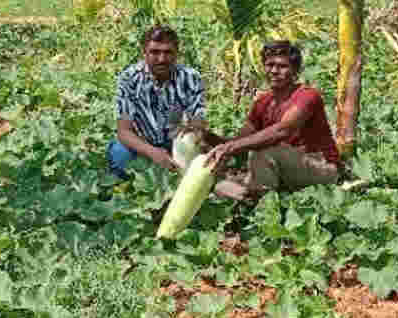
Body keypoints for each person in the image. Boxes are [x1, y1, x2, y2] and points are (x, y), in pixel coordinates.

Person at [207, 41, 340, 200]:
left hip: (321, 166)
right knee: (225, 184)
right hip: (286, 167)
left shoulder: (307, 95)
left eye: (282, 66)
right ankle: (252, 199)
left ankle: (262, 208)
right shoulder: (263, 102)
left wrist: (229, 148)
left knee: (263, 152)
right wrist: (207, 138)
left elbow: (283, 130)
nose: (274, 71)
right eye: (270, 65)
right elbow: (240, 141)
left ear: (295, 70)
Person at [108, 25, 206, 178]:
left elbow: (198, 120)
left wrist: (195, 132)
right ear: (144, 53)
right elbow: (124, 131)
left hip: (176, 142)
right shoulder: (129, 78)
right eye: (155, 52)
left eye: (168, 52)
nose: (162, 59)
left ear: (177, 54)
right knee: (119, 154)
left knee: (200, 163)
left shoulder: (190, 78)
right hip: (141, 143)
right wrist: (152, 152)